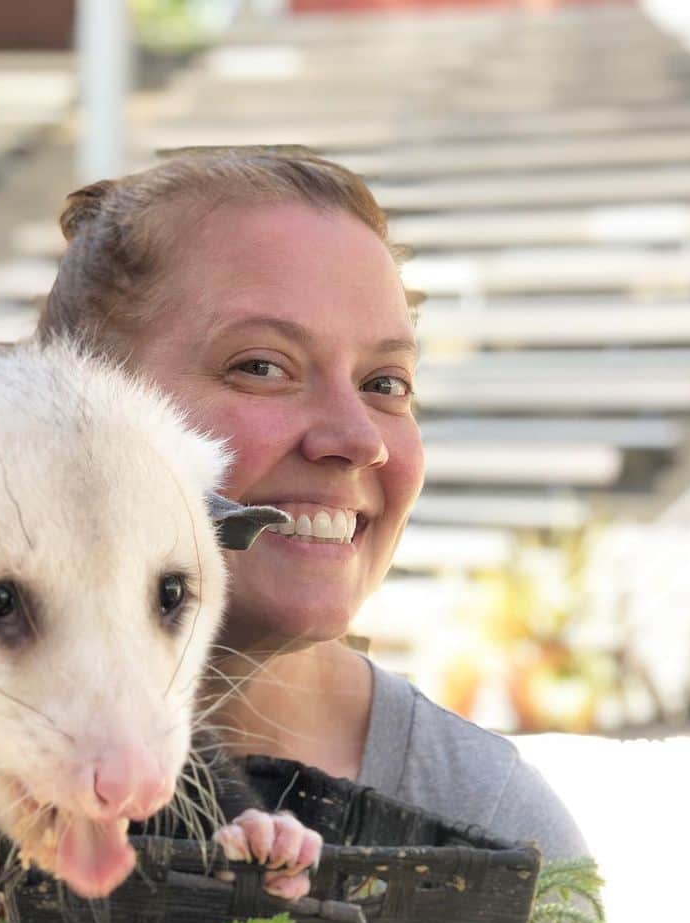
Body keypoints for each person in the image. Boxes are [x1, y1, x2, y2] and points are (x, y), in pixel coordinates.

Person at [38, 146, 588, 867]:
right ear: (74, 406)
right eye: (262, 367)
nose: (358, 439)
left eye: (386, 383)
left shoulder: (486, 823)